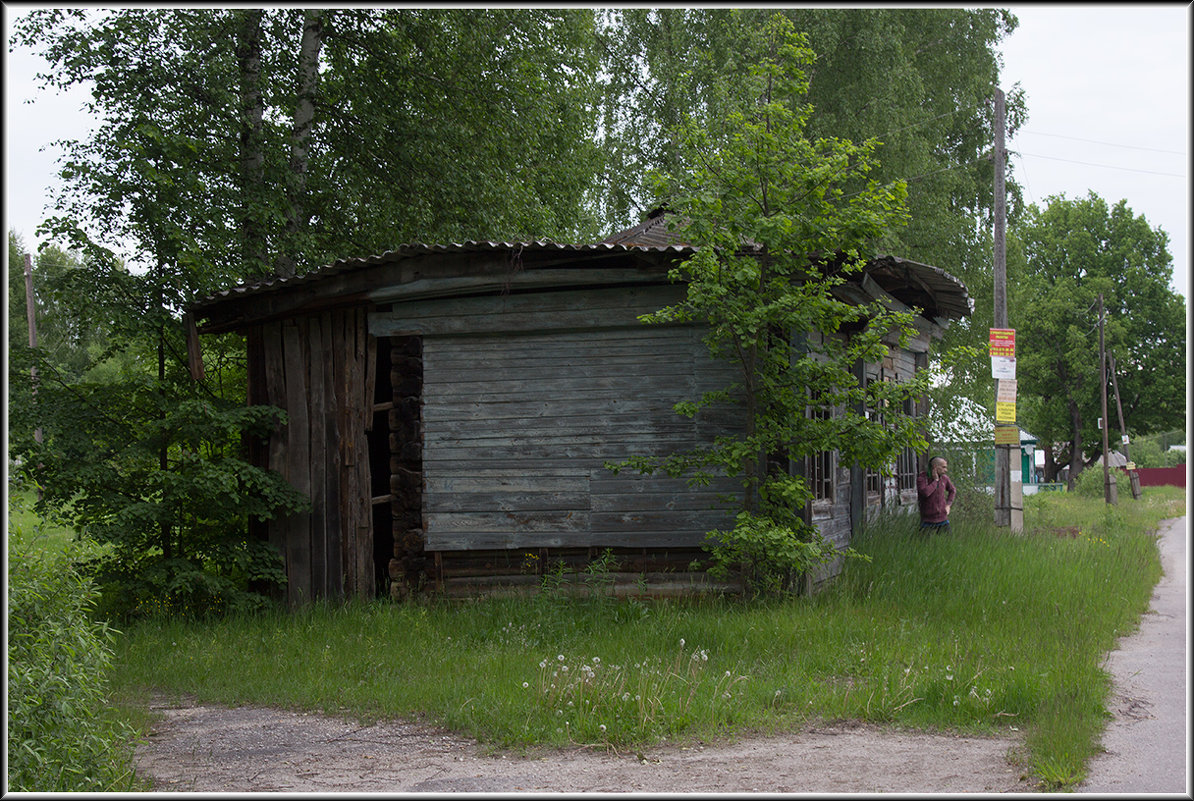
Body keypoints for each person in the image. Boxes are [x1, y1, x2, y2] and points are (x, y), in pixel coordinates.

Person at [917, 456, 956, 534]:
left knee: (949, 542)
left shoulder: (945, 478)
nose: (946, 470)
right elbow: (926, 493)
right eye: (943, 467)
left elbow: (952, 490)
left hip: (942, 519)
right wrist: (935, 481)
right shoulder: (922, 478)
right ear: (935, 467)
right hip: (927, 520)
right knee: (924, 544)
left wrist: (948, 505)